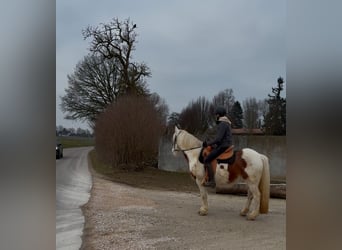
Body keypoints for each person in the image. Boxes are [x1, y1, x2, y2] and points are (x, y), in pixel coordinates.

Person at [202, 106, 232, 187]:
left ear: (219, 115)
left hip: (223, 146)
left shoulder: (222, 124)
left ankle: (212, 181)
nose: (216, 116)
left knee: (207, 160)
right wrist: (214, 144)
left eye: (216, 115)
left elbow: (218, 139)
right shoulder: (227, 123)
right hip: (225, 144)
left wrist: (208, 144)